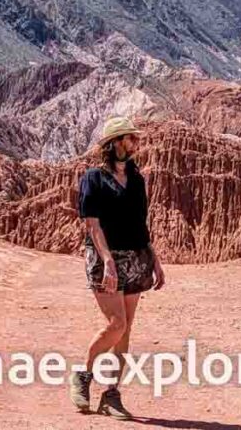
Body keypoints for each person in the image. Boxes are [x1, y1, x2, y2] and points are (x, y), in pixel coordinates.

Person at [68, 116, 165, 420]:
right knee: (116, 324)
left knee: (125, 332)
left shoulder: (136, 179)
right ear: (115, 143)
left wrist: (155, 260)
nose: (136, 143)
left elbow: (140, 224)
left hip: (136, 257)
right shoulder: (93, 179)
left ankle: (111, 395)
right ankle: (83, 375)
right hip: (104, 259)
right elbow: (92, 225)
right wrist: (107, 260)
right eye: (130, 138)